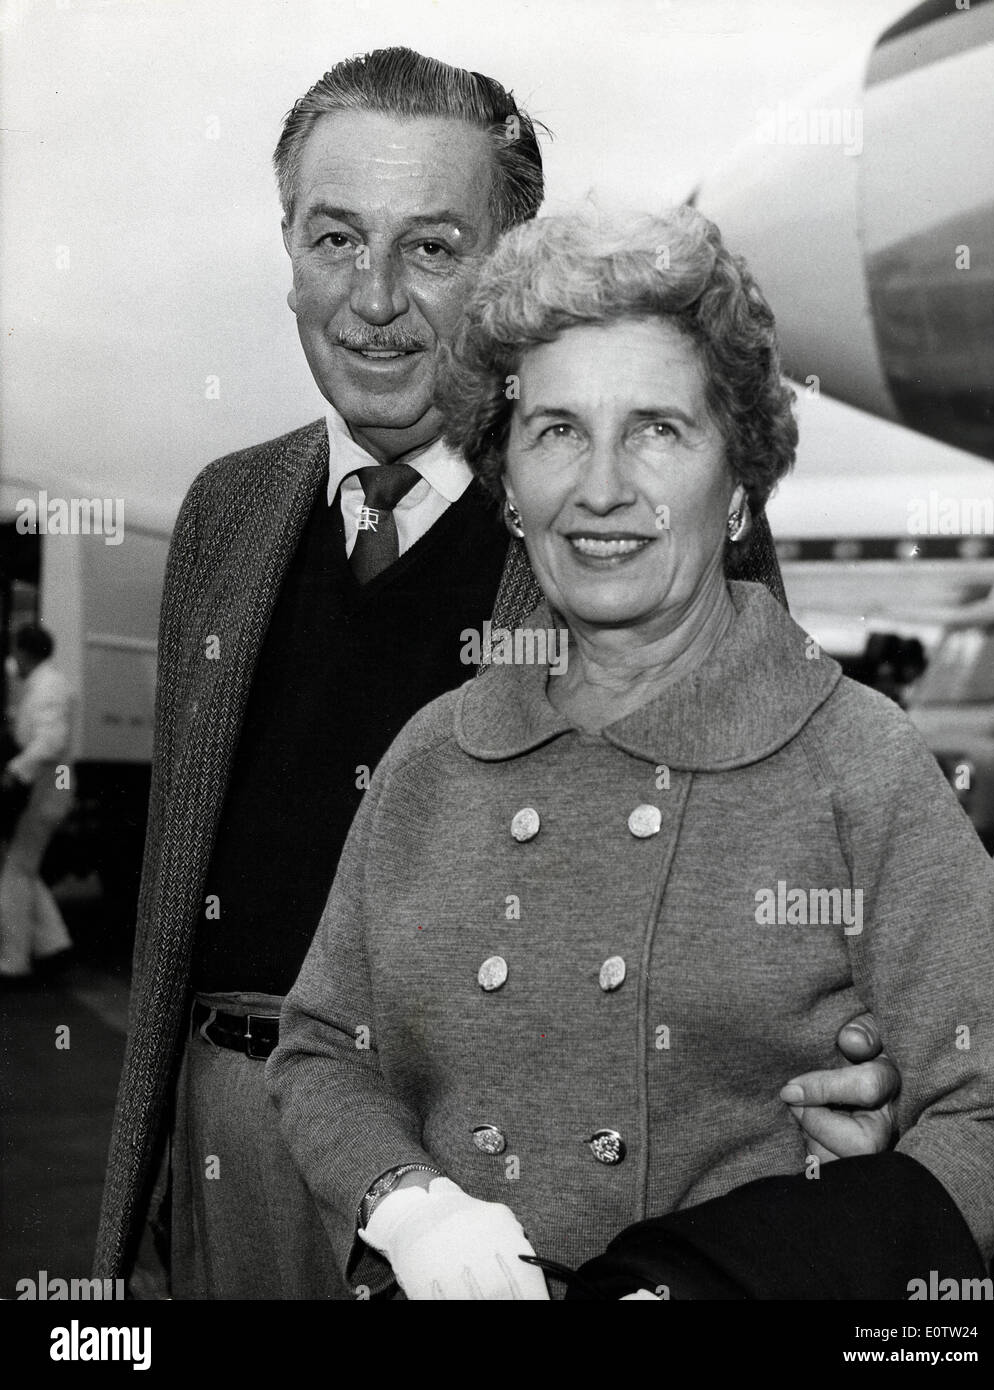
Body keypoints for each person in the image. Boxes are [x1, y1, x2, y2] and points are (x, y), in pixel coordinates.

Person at [95, 50, 895, 1300]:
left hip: (492, 1177)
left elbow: (786, 838)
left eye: (430, 247)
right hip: (231, 1143)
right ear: (288, 247)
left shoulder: (629, 517)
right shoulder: (224, 512)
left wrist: (842, 1062)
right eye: (334, 238)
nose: (372, 300)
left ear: (507, 266)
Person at [266, 205, 994, 1300]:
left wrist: (782, 1256)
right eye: (557, 430)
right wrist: (407, 1203)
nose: (603, 487)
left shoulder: (854, 759)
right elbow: (323, 1048)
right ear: (508, 483)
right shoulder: (433, 757)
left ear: (737, 485)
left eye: (658, 429)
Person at [0, 624, 76, 983]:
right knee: (24, 868)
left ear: (25, 652)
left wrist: (15, 770)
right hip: (45, 791)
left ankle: (12, 962)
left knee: (14, 872)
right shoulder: (45, 684)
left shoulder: (48, 687)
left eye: (15, 651)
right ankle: (53, 945)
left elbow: (50, 741)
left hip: (44, 793)